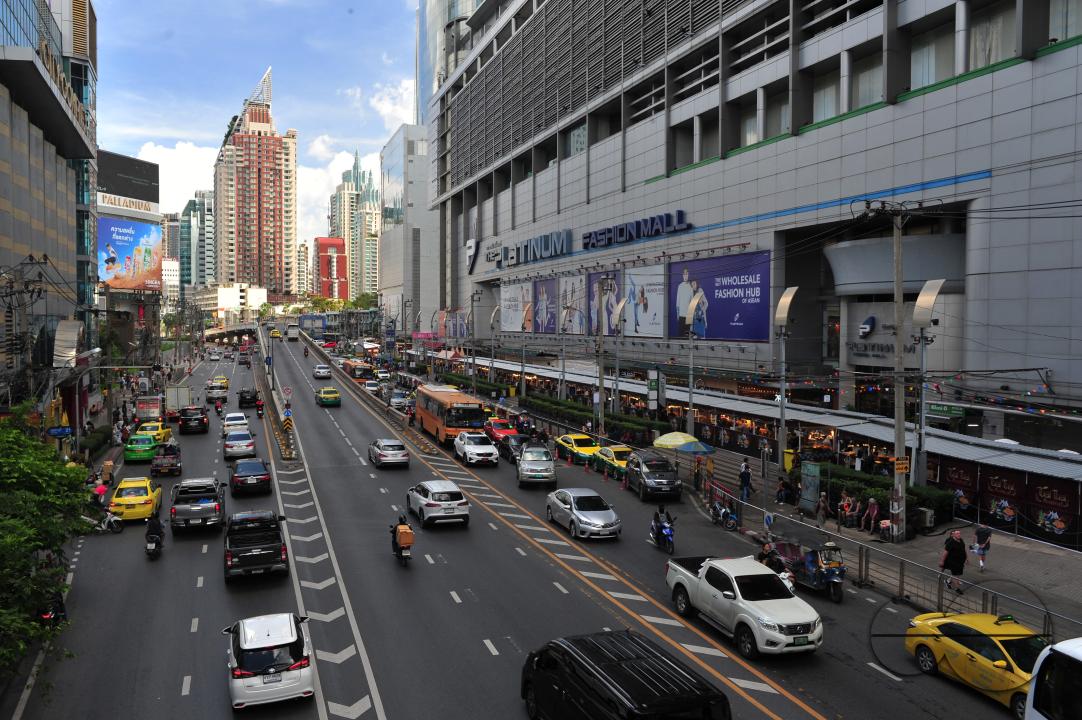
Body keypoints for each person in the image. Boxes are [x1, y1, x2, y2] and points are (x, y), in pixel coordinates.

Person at [940, 528, 967, 593]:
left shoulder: (961, 540)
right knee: (955, 575)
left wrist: (966, 558)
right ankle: (957, 589)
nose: (959, 534)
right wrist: (942, 561)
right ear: (953, 535)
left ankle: (948, 581)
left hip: (960, 561)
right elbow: (945, 552)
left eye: (959, 533)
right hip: (953, 561)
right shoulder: (950, 543)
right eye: (957, 533)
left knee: (958, 574)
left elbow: (964, 550)